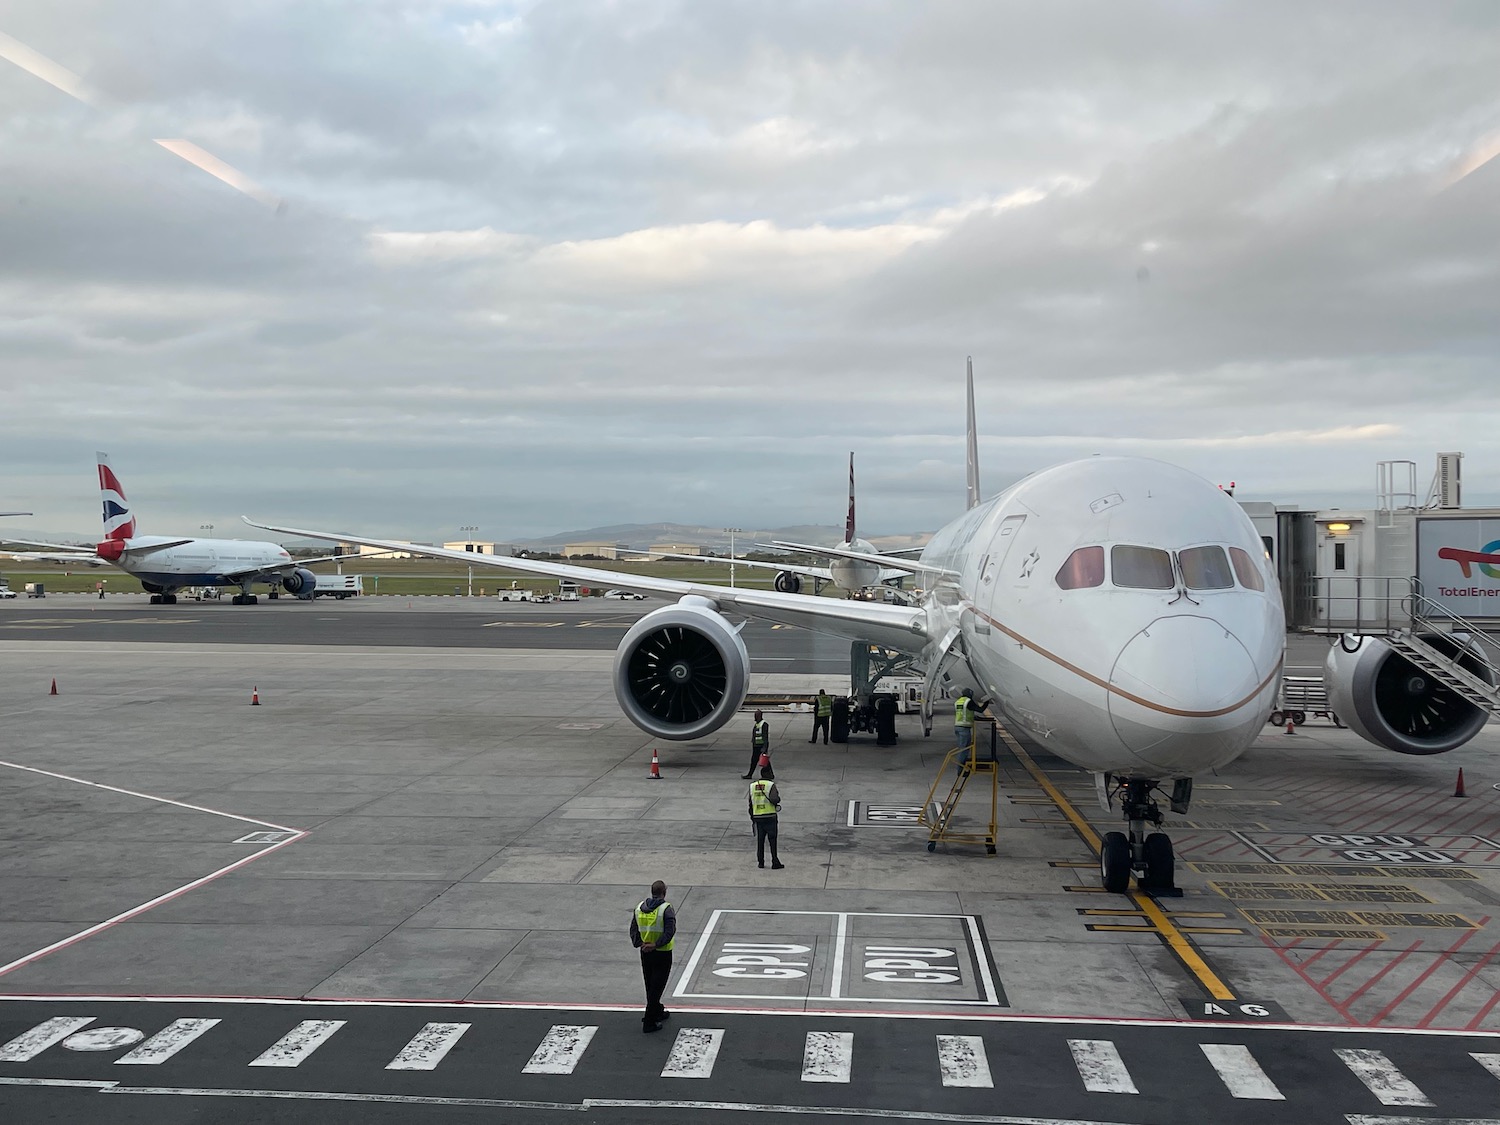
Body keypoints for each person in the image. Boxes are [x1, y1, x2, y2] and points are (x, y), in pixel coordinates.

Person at [629, 879, 676, 1033]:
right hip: (662, 953)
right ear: (665, 891)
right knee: (657, 987)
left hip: (645, 953)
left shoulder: (639, 908)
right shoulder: (666, 909)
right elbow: (669, 932)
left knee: (650, 984)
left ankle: (657, 1011)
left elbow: (633, 929)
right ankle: (649, 1022)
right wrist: (656, 945)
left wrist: (640, 944)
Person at [748, 764, 784, 869]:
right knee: (772, 839)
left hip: (758, 817)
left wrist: (752, 817)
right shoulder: (770, 785)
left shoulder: (752, 786)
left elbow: (750, 803)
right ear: (767, 774)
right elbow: (774, 799)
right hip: (770, 816)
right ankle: (774, 861)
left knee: (760, 840)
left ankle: (761, 862)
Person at [743, 709, 771, 779]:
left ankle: (767, 774)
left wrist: (764, 748)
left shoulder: (764, 724)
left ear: (760, 716)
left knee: (763, 762)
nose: (755, 717)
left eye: (756, 715)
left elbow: (765, 737)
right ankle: (750, 774)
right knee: (756, 761)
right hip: (756, 746)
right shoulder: (757, 724)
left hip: (760, 746)